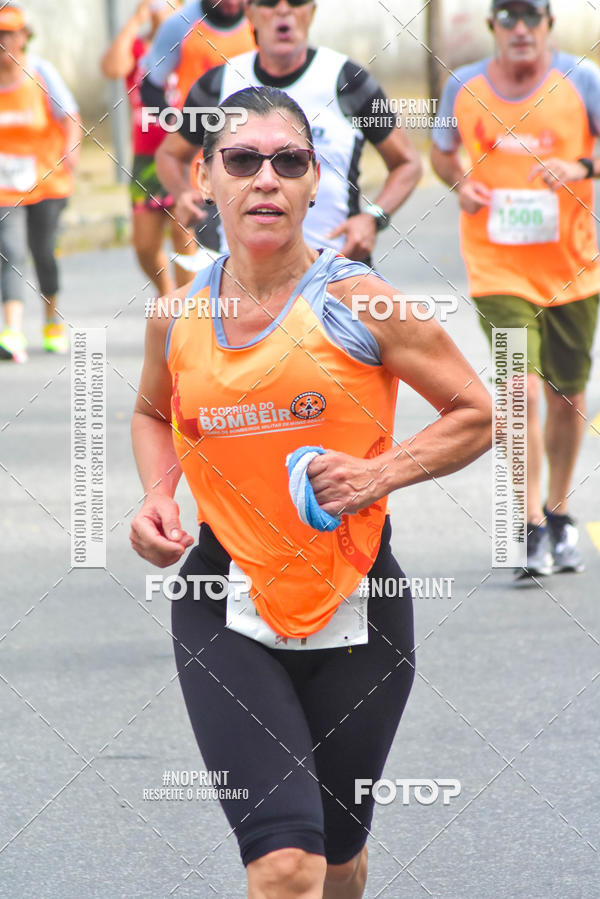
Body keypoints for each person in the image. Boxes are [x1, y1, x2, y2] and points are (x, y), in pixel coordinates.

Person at [130, 86, 491, 897]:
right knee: (285, 862)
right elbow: (154, 413)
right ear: (204, 178)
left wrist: (378, 472)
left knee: (336, 858)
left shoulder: (361, 300)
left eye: (288, 161)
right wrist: (159, 495)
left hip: (358, 598)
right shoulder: (177, 315)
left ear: (313, 179)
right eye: (243, 159)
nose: (266, 178)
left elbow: (476, 414)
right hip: (226, 596)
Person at [431, 0, 600, 575]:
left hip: (573, 268)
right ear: (493, 27)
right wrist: (460, 183)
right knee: (519, 390)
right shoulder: (464, 86)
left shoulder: (583, 81)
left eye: (531, 16)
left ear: (549, 25)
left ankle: (559, 514)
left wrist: (583, 167)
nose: (520, 29)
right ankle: (526, 525)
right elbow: (442, 150)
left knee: (567, 396)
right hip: (496, 266)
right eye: (508, 17)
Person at [155, 0, 422, 263]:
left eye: (296, 1)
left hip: (335, 273)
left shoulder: (348, 81)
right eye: (269, 2)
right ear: (250, 12)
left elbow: (407, 162)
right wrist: (182, 193)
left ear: (311, 11)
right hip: (242, 278)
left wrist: (373, 217)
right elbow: (169, 154)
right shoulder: (218, 84)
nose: (283, 10)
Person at [140, 0, 255, 251]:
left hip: (258, 156)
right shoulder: (179, 25)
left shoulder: (261, 19)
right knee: (218, 258)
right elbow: (150, 87)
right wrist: (180, 126)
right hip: (204, 162)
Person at [0, 3, 80, 361]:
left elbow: (70, 117)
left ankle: (51, 320)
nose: (3, 41)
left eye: (8, 35)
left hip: (47, 181)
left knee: (42, 252)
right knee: (11, 251)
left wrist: (72, 153)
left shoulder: (41, 74)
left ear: (23, 37)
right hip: (6, 187)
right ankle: (12, 331)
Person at [101, 0, 198, 293]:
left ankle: (186, 306)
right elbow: (111, 68)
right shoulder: (137, 47)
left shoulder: (188, 43)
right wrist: (135, 21)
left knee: (184, 234)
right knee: (144, 245)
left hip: (185, 155)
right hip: (146, 158)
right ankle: (167, 293)